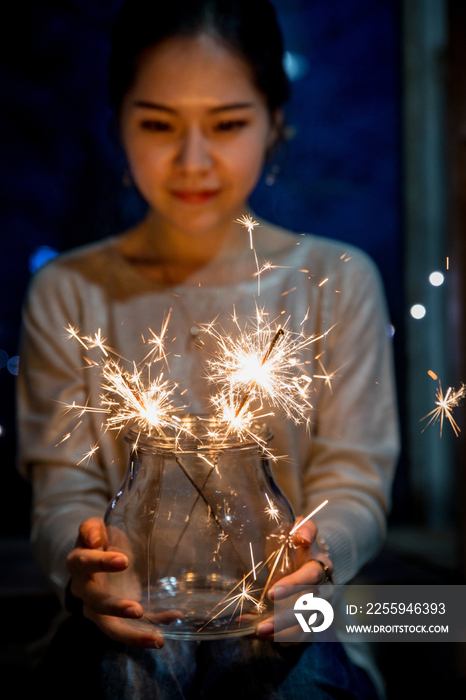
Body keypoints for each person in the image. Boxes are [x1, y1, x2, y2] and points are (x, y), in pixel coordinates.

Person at [17, 0, 399, 697]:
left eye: (227, 124)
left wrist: (319, 561)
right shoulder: (69, 291)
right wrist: (91, 566)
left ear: (275, 123)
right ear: (119, 126)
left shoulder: (336, 282)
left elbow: (357, 482)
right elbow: (60, 490)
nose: (193, 160)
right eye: (159, 123)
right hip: (120, 625)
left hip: (299, 621)